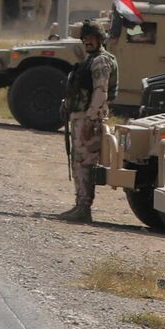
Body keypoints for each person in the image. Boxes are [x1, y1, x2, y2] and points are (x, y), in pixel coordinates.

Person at [55, 20, 116, 222]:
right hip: (81, 116)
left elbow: (101, 91)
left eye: (91, 38)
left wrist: (90, 119)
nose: (87, 41)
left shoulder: (101, 61)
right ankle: (80, 205)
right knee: (79, 162)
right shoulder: (91, 59)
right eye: (84, 38)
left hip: (90, 119)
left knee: (85, 162)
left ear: (100, 39)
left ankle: (84, 208)